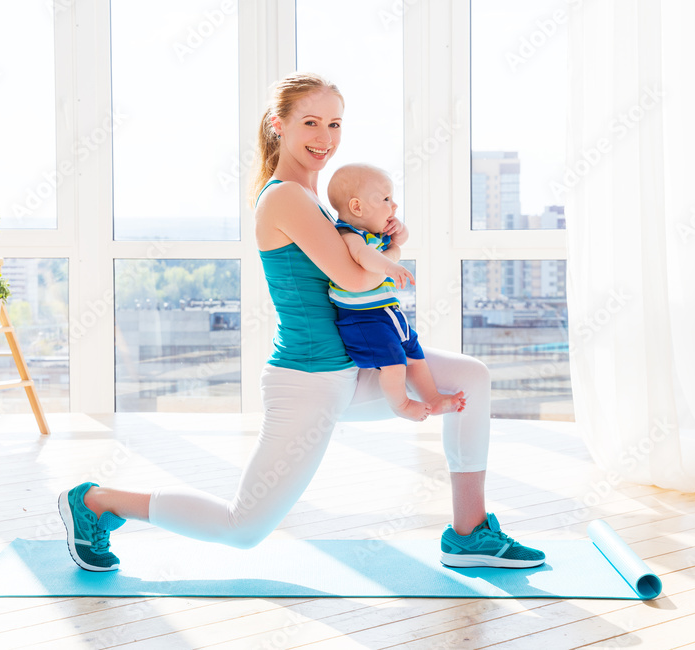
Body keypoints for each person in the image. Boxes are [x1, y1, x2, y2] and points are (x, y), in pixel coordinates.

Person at [57, 72, 545, 573]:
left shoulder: (317, 200)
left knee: (471, 378)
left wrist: (385, 241)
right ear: (278, 126)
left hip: (351, 373)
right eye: (310, 122)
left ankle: (469, 534)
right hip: (308, 382)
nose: (324, 138)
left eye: (334, 124)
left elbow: (357, 267)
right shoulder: (285, 196)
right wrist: (394, 258)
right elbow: (354, 281)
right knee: (242, 528)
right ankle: (97, 501)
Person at [325, 163, 466, 422]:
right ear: (357, 207)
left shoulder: (374, 233)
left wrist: (399, 230)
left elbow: (401, 239)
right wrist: (390, 266)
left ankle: (432, 398)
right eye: (386, 199)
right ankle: (400, 404)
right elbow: (364, 257)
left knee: (414, 355)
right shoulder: (348, 234)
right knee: (393, 363)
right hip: (363, 319)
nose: (394, 206)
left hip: (388, 313)